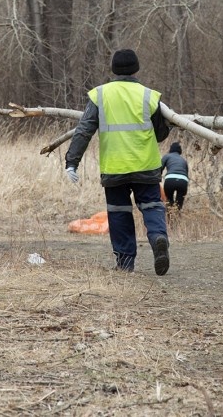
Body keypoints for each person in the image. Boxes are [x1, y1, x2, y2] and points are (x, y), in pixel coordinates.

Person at [65, 49, 172, 275]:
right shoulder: (149, 95)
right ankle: (158, 237)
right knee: (152, 206)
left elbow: (84, 130)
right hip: (146, 165)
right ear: (136, 68)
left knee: (119, 213)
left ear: (113, 69)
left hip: (115, 168)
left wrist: (71, 162)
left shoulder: (100, 95)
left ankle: (125, 264)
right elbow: (161, 135)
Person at [160, 142, 190, 212]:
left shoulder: (167, 156)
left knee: (169, 201)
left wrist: (158, 178)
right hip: (183, 181)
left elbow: (160, 168)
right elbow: (186, 173)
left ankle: (170, 219)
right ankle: (177, 219)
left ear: (170, 149)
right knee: (179, 204)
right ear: (180, 151)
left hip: (170, 180)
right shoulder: (183, 160)